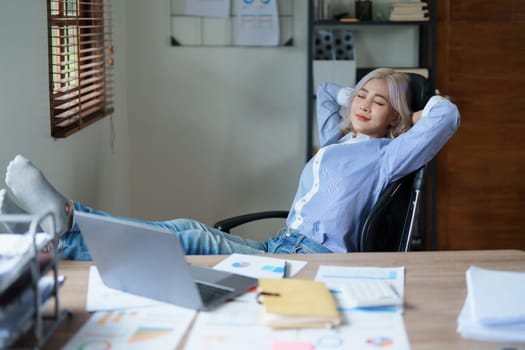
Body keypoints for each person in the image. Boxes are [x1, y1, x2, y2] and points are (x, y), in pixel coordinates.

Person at [0, 68, 460, 259]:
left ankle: (64, 236)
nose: (363, 103)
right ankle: (68, 220)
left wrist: (420, 109)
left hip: (314, 260)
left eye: (379, 103)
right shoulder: (338, 140)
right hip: (283, 245)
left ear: (394, 118)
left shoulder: (386, 157)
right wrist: (361, 92)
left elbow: (449, 116)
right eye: (362, 95)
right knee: (183, 225)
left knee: (193, 239)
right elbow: (325, 91)